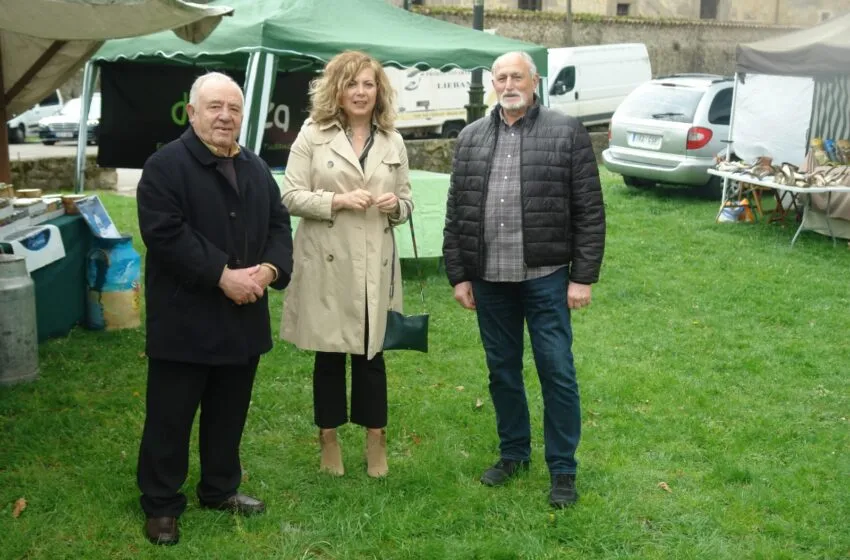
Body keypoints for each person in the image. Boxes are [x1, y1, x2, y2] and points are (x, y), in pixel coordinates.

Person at [136, 72, 294, 545]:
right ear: (192, 112)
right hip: (185, 318)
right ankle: (161, 504)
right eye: (214, 107)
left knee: (229, 411)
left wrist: (268, 270)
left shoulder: (255, 167)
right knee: (170, 416)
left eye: (234, 109)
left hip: (243, 317)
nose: (225, 116)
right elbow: (165, 233)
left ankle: (220, 488)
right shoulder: (165, 166)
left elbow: (279, 225)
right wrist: (222, 275)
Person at [442, 51, 605, 508]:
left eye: (518, 76)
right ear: (492, 83)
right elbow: (457, 212)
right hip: (489, 278)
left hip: (547, 276)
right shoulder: (471, 137)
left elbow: (590, 210)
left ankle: (563, 469)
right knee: (502, 371)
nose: (509, 83)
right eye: (501, 77)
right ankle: (514, 453)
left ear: (534, 82)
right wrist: (459, 274)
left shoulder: (565, 132)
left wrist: (582, 277)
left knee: (557, 370)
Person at [281, 51, 412, 479]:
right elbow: (290, 195)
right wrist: (336, 200)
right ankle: (329, 438)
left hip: (375, 263)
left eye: (368, 84)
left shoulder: (393, 139)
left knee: (372, 355)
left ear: (379, 91)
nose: (360, 92)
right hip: (328, 263)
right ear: (337, 88)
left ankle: (377, 440)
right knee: (330, 353)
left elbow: (408, 202)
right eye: (352, 83)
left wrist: (396, 206)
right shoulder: (312, 135)